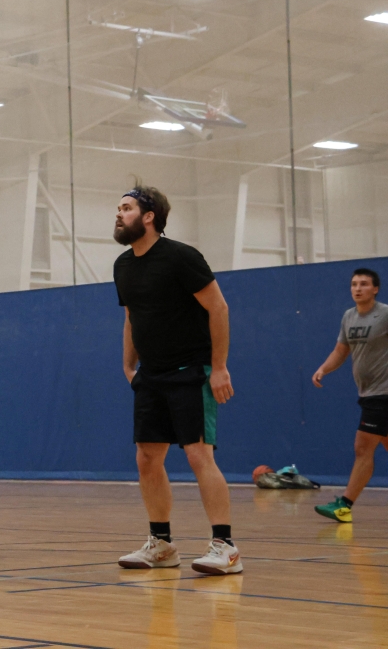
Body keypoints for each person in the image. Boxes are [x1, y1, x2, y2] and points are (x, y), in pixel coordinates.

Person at [112, 183, 241, 576]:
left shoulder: (182, 257)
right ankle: (163, 545)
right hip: (151, 376)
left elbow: (218, 307)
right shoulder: (123, 265)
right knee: (147, 458)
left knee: (199, 454)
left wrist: (218, 367)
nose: (118, 214)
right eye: (118, 208)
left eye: (127, 208)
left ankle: (225, 546)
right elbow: (132, 316)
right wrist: (128, 366)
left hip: (191, 371)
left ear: (149, 217)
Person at [311, 268, 388, 523]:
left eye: (364, 284)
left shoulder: (385, 314)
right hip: (367, 393)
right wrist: (324, 368)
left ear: (375, 289)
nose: (357, 288)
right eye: (354, 284)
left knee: (362, 447)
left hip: (383, 393)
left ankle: (344, 505)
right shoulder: (349, 317)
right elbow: (341, 350)